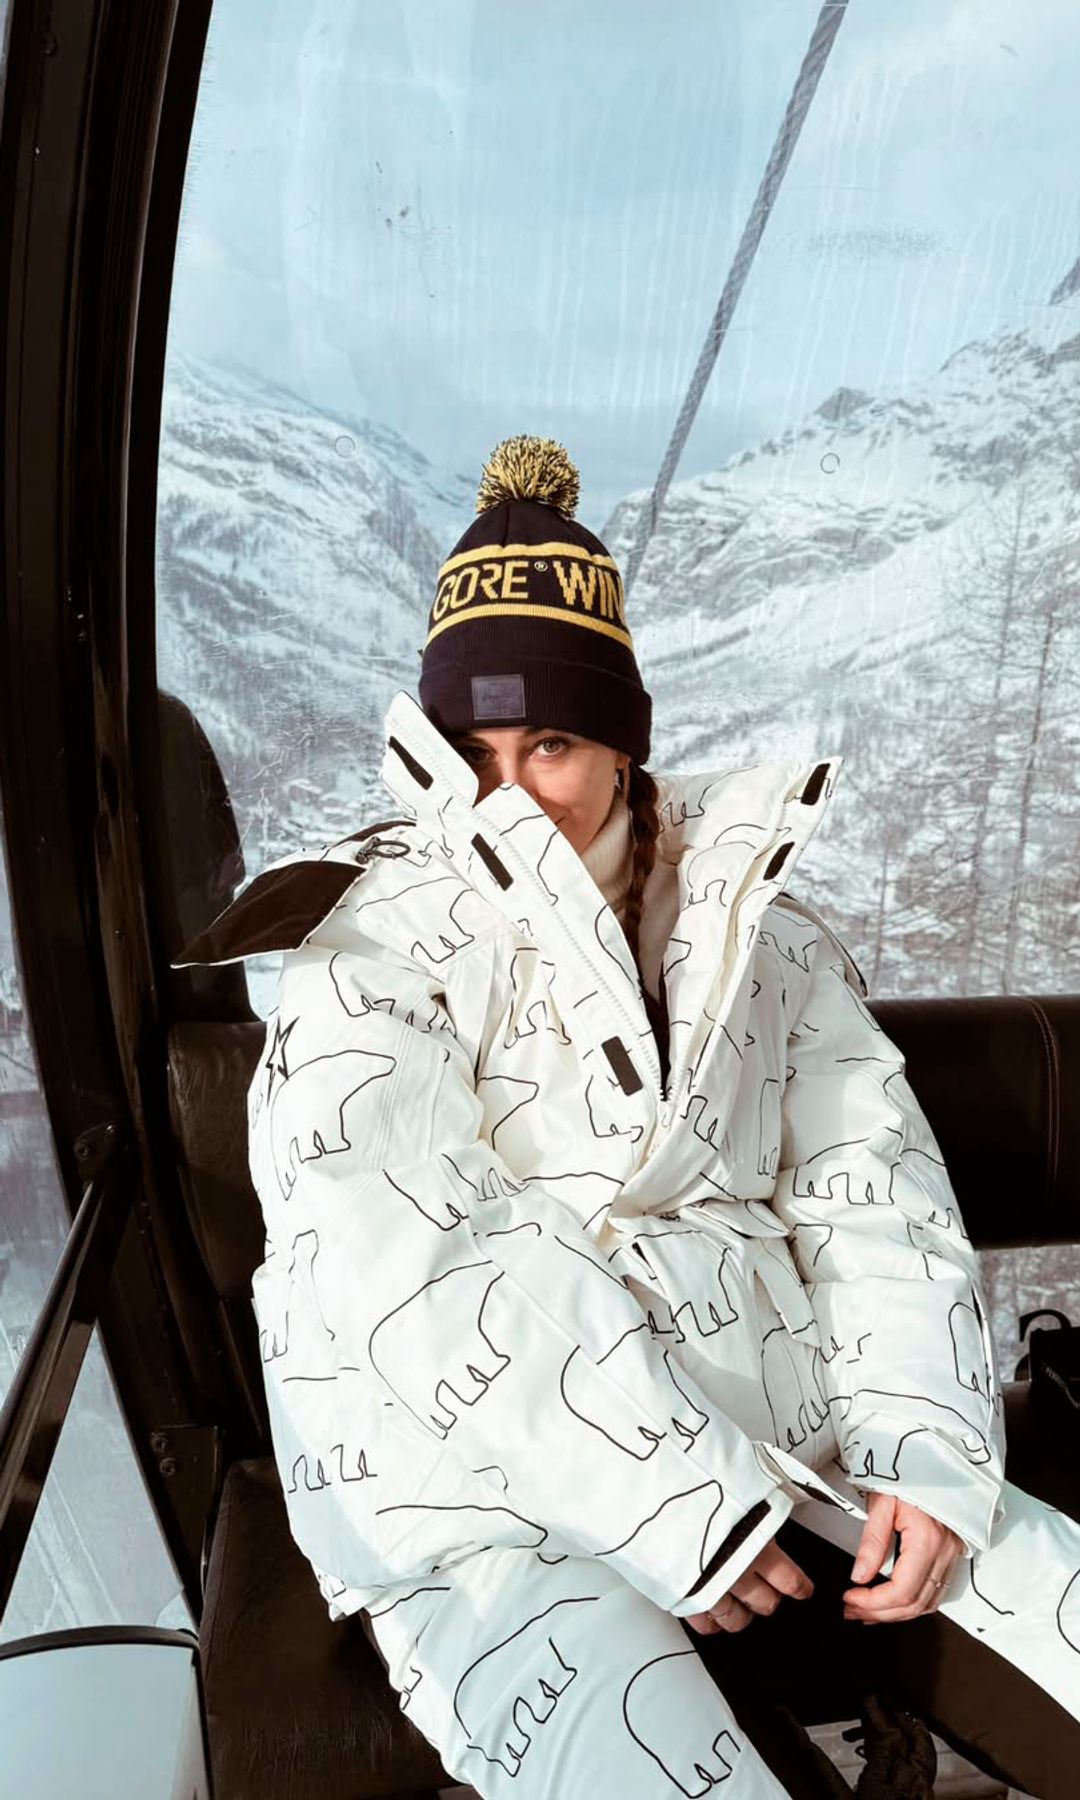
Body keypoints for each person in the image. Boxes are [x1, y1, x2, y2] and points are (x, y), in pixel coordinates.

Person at [191, 437, 1080, 1797]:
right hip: (494, 1498)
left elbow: (870, 1190)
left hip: (792, 1443)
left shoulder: (760, 936)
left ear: (621, 739)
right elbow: (423, 1270)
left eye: (550, 741)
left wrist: (925, 1449)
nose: (514, 794)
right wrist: (673, 1496)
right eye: (474, 749)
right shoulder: (364, 959)